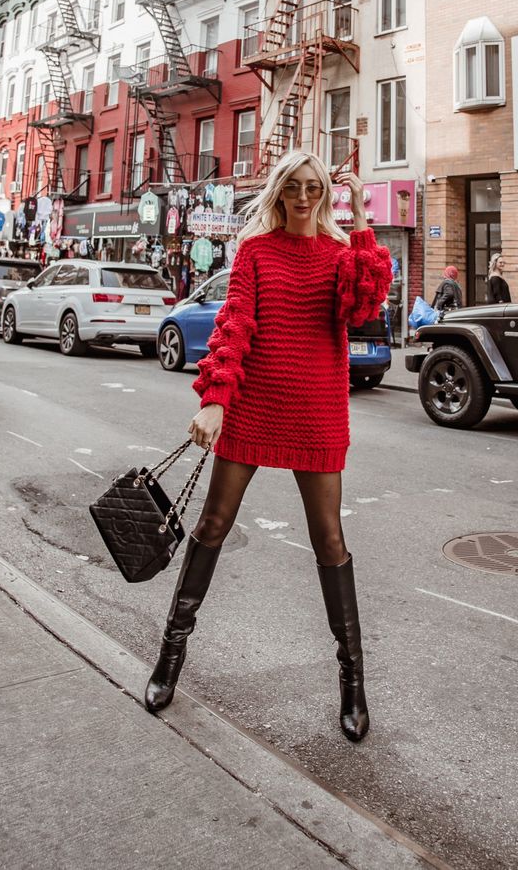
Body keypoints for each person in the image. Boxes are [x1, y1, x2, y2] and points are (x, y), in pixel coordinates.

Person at [144, 151, 392, 743]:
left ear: (324, 195)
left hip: (317, 411)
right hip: (255, 406)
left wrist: (360, 216)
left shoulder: (338, 255)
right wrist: (215, 399)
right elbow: (235, 326)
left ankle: (352, 682)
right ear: (279, 192)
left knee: (329, 538)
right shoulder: (255, 252)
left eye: (314, 188)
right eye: (294, 187)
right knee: (212, 524)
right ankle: (170, 657)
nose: (304, 197)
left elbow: (363, 307)